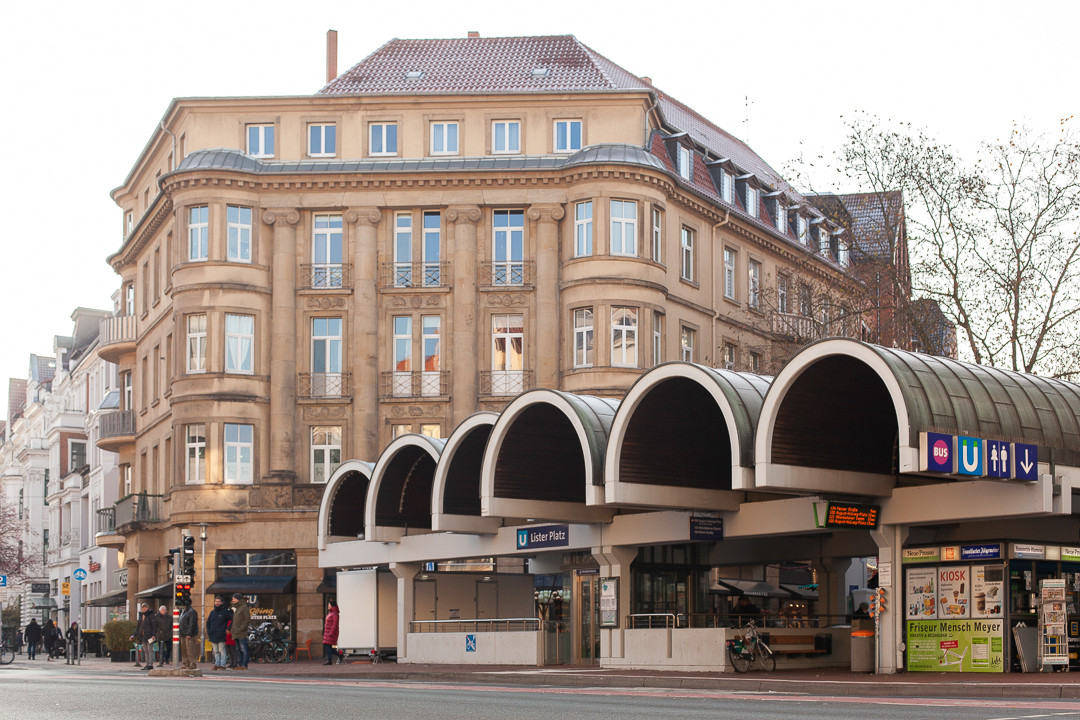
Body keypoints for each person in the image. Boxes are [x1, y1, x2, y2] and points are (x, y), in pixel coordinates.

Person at [206, 596, 233, 671]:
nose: (217, 603)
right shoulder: (212, 612)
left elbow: (233, 619)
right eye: (216, 601)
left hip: (221, 634)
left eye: (218, 602)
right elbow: (208, 622)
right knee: (215, 651)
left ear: (221, 603)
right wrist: (209, 631)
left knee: (222, 650)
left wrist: (228, 628)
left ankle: (222, 665)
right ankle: (217, 664)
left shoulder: (225, 612)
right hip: (213, 634)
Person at [229, 593, 251, 671]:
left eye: (234, 599)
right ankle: (240, 664)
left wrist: (242, 628)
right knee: (239, 649)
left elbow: (247, 619)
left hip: (241, 632)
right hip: (236, 632)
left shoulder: (244, 607)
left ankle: (244, 664)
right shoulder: (237, 608)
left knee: (243, 649)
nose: (232, 600)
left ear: (238, 599)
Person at [133, 603, 156, 669]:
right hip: (143, 635)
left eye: (145, 607)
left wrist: (153, 635)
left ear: (148, 608)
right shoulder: (141, 616)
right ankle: (147, 663)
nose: (144, 609)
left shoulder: (151, 616)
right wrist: (134, 634)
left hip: (149, 636)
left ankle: (150, 664)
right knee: (145, 650)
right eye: (143, 607)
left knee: (149, 650)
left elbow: (154, 626)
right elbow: (138, 626)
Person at [178, 603, 200, 670]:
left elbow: (192, 623)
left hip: (188, 634)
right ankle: (185, 663)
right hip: (183, 633)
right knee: (184, 650)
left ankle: (192, 664)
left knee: (190, 649)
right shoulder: (182, 612)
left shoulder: (191, 611)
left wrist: (189, 633)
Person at [322, 600, 340, 665]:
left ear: (332, 605)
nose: (328, 605)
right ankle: (339, 655)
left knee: (327, 646)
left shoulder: (334, 614)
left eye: (329, 604)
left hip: (330, 633)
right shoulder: (331, 613)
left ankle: (330, 660)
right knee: (328, 646)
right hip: (328, 633)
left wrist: (331, 633)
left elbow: (334, 624)